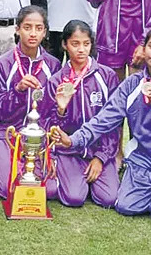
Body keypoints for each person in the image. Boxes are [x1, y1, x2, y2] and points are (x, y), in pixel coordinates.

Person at [53, 27, 151, 225]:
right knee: (125, 206)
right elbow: (104, 119)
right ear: (144, 49)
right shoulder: (132, 84)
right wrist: (73, 140)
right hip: (142, 160)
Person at [0, 6, 61, 198]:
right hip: (9, 133)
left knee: (48, 191)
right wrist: (18, 90)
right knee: (11, 189)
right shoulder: (4, 62)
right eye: (27, 27)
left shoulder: (53, 64)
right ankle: (7, 167)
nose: (32, 33)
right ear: (17, 30)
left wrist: (52, 151)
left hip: (39, 137)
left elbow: (52, 111)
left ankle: (32, 163)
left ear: (44, 32)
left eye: (38, 28)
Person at [45, 20, 120, 208]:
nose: (81, 50)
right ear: (64, 45)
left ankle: (91, 177)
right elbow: (50, 128)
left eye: (86, 44)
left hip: (99, 149)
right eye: (75, 44)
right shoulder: (56, 81)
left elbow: (114, 122)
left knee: (109, 198)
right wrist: (61, 110)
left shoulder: (107, 76)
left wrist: (101, 158)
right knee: (74, 198)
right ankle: (74, 178)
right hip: (69, 152)